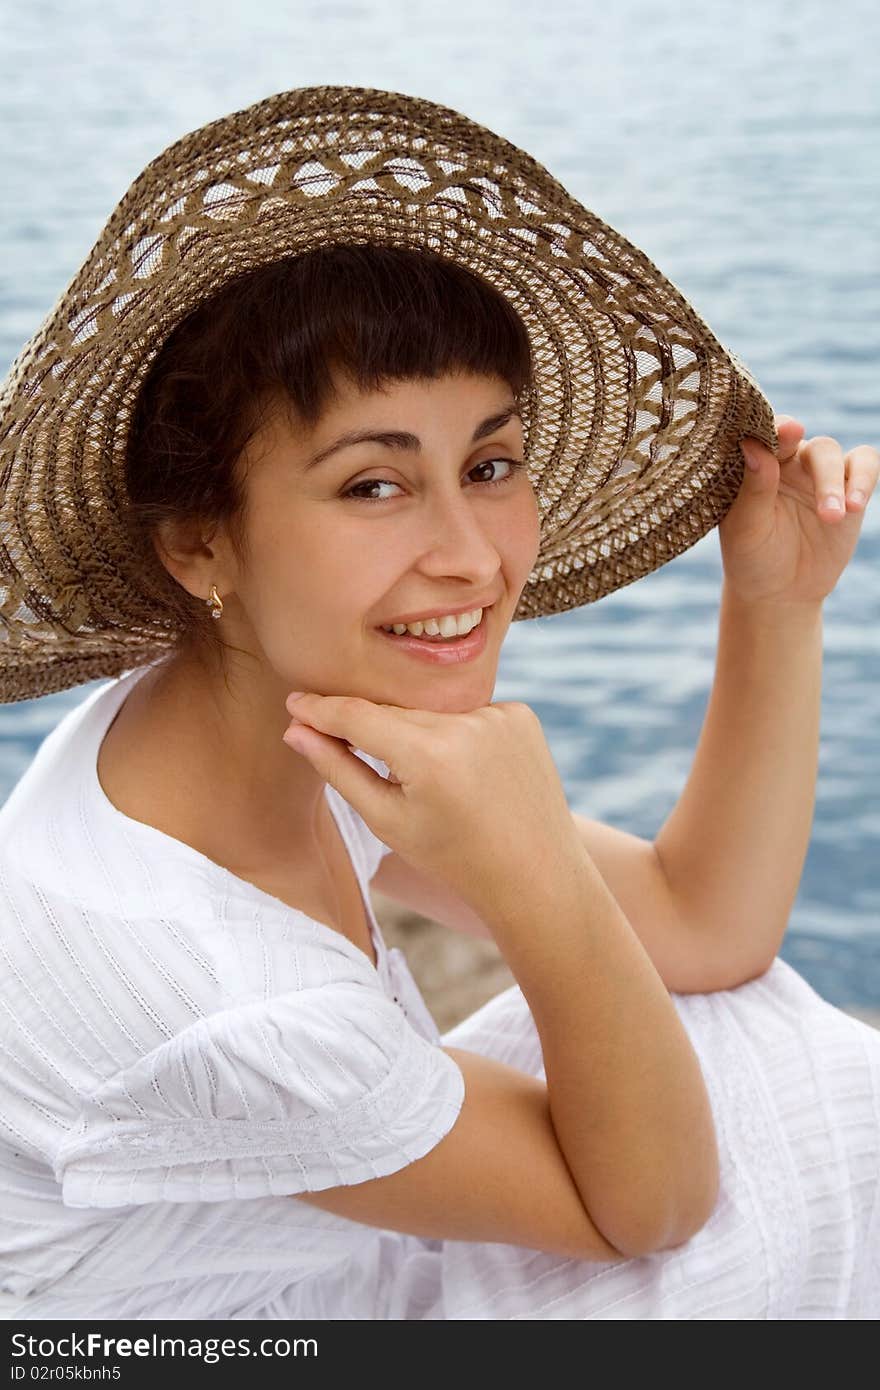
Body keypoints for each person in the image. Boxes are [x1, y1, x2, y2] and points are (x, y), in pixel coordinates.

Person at [0, 86, 878, 1321]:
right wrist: (528, 866)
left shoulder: (267, 717)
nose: (471, 555)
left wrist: (777, 607)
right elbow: (655, 1206)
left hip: (343, 1245)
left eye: (490, 464)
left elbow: (703, 929)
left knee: (787, 1053)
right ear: (201, 545)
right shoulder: (215, 992)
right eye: (373, 485)